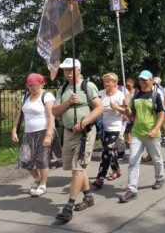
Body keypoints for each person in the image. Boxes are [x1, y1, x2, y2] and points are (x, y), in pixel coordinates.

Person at [53, 58, 104, 222]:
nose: (67, 72)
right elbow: (54, 111)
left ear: (79, 70)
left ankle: (68, 207)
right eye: (65, 70)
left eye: (71, 69)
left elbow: (100, 107)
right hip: (68, 133)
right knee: (76, 167)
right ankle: (88, 197)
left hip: (85, 133)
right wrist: (68, 102)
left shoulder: (87, 86)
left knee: (77, 168)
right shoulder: (63, 89)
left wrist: (83, 123)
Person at [119, 70, 165, 203]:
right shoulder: (136, 94)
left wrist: (155, 129)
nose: (142, 82)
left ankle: (160, 177)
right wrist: (126, 105)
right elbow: (130, 115)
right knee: (133, 161)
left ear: (151, 80)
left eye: (145, 80)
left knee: (156, 159)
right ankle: (131, 190)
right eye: (140, 79)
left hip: (152, 134)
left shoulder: (156, 95)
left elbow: (161, 115)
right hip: (137, 133)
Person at [11, 73, 56, 197]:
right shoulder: (25, 96)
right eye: (29, 85)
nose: (31, 88)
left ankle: (43, 184)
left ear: (41, 84)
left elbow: (51, 116)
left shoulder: (47, 96)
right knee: (24, 159)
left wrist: (48, 135)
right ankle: (36, 178)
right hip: (29, 133)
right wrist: (14, 129)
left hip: (44, 131)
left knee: (42, 159)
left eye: (34, 86)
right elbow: (20, 114)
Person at [92, 73, 126, 189]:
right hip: (103, 128)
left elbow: (126, 112)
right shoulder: (101, 94)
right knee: (110, 151)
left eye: (109, 82)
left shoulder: (120, 95)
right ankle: (116, 170)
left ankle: (100, 178)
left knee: (107, 150)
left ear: (115, 83)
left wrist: (117, 107)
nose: (106, 84)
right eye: (105, 82)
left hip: (115, 127)